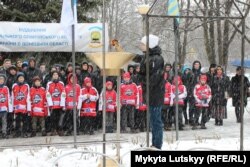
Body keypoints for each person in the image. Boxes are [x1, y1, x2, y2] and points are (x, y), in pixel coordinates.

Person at [134, 34, 165, 149]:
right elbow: (138, 58)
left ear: (149, 45)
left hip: (155, 94)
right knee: (153, 120)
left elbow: (154, 79)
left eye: (143, 44)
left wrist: (140, 78)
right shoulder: (148, 56)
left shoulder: (156, 59)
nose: (140, 46)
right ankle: (154, 144)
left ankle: (157, 145)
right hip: (150, 93)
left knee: (156, 121)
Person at [46, 71, 66, 136]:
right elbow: (47, 93)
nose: (55, 76)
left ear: (58, 76)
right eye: (54, 74)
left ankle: (59, 129)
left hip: (60, 105)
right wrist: (50, 104)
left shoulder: (61, 83)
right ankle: (53, 130)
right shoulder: (49, 84)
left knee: (59, 118)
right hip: (53, 105)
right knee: (52, 118)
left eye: (56, 74)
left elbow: (63, 93)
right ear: (52, 76)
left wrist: (62, 104)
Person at [12, 72, 31, 138]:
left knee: (25, 120)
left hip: (24, 107)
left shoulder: (26, 85)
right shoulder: (14, 85)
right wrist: (12, 107)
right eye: (20, 78)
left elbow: (28, 96)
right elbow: (12, 96)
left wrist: (28, 107)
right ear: (17, 79)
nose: (21, 79)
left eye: (22, 78)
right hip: (17, 107)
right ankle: (17, 132)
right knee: (17, 120)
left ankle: (24, 132)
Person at [0, 74, 12, 139]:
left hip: (4, 107)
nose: (1, 81)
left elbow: (8, 97)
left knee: (4, 121)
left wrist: (8, 107)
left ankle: (4, 132)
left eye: (2, 80)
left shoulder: (6, 88)